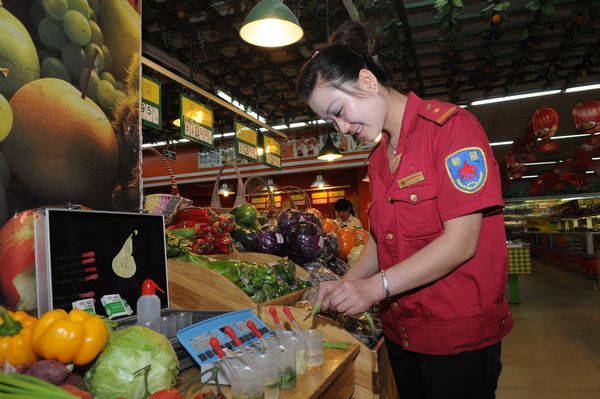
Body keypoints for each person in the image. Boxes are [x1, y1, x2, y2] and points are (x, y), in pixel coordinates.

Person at [296, 21, 513, 399]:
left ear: (367, 82)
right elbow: (382, 239)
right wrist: (348, 282)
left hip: (457, 335)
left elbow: (462, 242)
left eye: (339, 111)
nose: (342, 127)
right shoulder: (378, 158)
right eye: (331, 121)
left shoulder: (451, 130)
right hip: (404, 332)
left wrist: (374, 288)